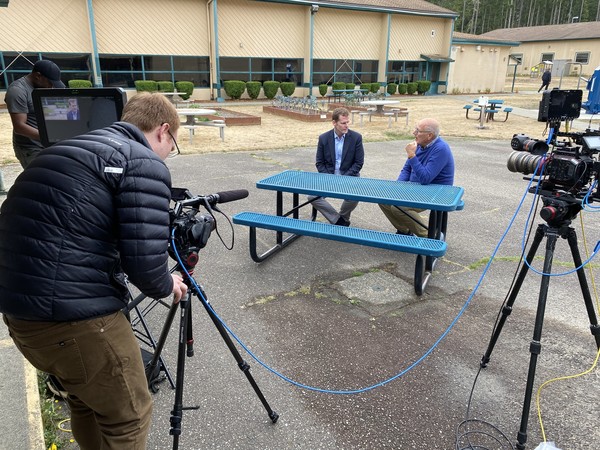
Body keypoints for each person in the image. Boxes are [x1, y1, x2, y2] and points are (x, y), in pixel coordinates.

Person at [0, 92, 189, 450]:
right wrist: (170, 282)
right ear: (164, 131)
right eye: (173, 145)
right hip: (75, 320)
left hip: (20, 315)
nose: (167, 154)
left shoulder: (64, 150)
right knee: (129, 416)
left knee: (85, 401)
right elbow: (147, 269)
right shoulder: (142, 160)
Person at [379, 118, 455, 237]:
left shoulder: (441, 149)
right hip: (416, 189)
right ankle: (405, 231)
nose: (414, 133)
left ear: (429, 135)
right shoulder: (420, 144)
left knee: (400, 207)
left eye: (418, 131)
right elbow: (407, 169)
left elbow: (425, 178)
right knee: (383, 199)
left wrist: (412, 155)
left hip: (435, 192)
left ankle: (429, 236)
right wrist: (398, 187)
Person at [4, 59, 65, 168]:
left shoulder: (44, 86)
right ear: (38, 76)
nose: (51, 86)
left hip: (50, 143)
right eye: (50, 82)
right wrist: (50, 137)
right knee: (42, 177)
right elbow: (19, 126)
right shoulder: (17, 91)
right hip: (30, 147)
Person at [309, 107, 364, 226]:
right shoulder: (323, 138)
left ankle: (342, 218)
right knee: (312, 196)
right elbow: (319, 163)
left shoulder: (356, 138)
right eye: (343, 123)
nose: (346, 126)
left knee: (354, 196)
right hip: (329, 177)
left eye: (347, 122)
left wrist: (343, 178)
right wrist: (330, 178)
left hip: (349, 177)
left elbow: (358, 163)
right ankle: (338, 220)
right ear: (334, 123)